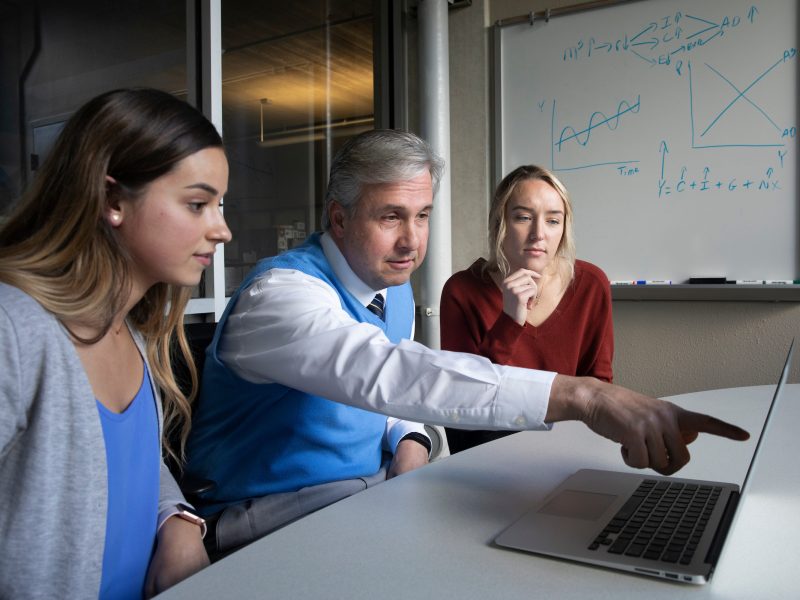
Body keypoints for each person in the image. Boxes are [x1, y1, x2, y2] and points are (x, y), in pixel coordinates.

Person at [185, 129, 749, 559]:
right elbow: (389, 373)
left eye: (423, 216)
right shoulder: (279, 297)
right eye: (391, 217)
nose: (412, 241)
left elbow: (384, 403)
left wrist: (408, 440)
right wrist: (586, 397)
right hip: (272, 514)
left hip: (370, 492)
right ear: (338, 218)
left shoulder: (391, 287)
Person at [0, 88, 232, 599]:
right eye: (198, 204)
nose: (223, 230)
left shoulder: (132, 331)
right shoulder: (14, 330)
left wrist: (177, 519)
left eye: (219, 205)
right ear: (112, 201)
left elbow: (122, 467)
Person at [441, 165, 613, 453]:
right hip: (488, 453)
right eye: (523, 217)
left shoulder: (591, 284)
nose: (538, 234)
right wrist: (509, 320)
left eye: (553, 221)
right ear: (500, 223)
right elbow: (464, 405)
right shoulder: (462, 291)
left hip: (567, 448)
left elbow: (598, 387)